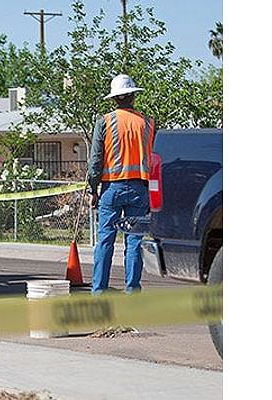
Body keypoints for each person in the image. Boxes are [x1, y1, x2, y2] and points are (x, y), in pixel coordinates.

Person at [88, 74, 155, 294]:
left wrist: (92, 189)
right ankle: (132, 292)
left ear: (115, 99)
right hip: (140, 188)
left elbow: (96, 159)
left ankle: (99, 291)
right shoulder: (147, 123)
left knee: (105, 240)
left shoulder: (105, 122)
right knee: (134, 241)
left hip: (111, 189)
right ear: (134, 96)